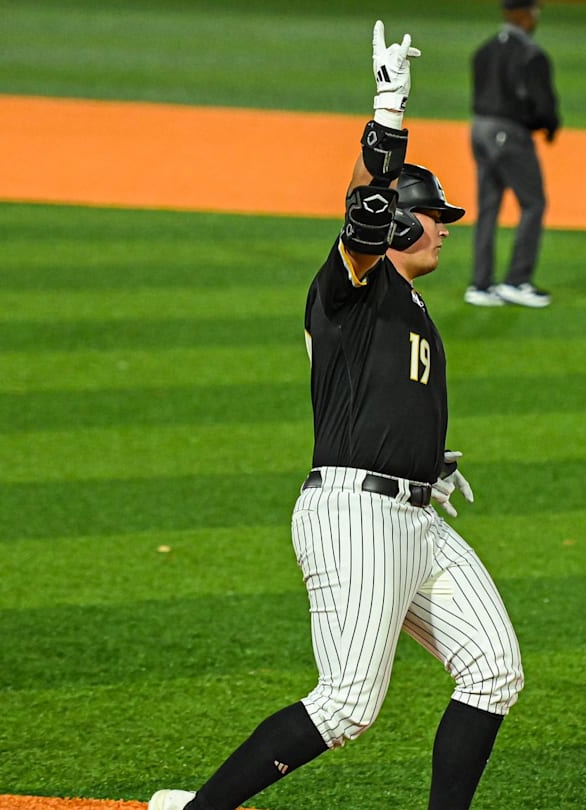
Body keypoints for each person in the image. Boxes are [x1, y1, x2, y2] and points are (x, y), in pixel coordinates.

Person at [148, 21, 524, 810]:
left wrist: (422, 458)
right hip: (356, 517)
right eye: (435, 216)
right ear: (398, 225)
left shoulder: (410, 306)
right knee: (347, 704)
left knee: (493, 670)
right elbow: (362, 213)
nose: (446, 227)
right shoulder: (352, 285)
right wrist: (388, 115)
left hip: (414, 518)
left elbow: (384, 397)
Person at [464, 0, 561, 309]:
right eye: (533, 12)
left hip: (479, 130)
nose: (535, 18)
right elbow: (544, 105)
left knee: (488, 208)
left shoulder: (483, 50)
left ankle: (480, 285)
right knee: (533, 204)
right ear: (521, 15)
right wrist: (549, 126)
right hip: (510, 135)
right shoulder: (531, 55)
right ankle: (516, 282)